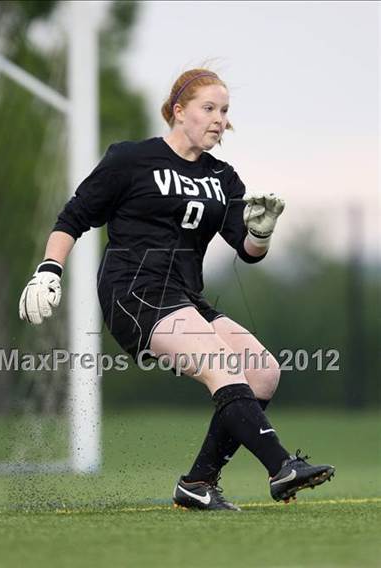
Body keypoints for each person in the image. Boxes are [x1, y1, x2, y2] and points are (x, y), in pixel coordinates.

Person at [19, 68, 335, 512]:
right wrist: (49, 270)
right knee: (220, 362)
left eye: (224, 111)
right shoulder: (130, 159)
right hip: (134, 291)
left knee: (263, 371)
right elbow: (73, 217)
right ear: (178, 110)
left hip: (185, 296)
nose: (218, 119)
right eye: (208, 108)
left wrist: (261, 233)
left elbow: (246, 251)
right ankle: (282, 466)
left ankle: (198, 482)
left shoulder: (224, 178)